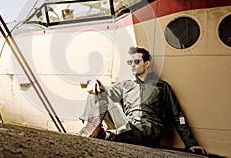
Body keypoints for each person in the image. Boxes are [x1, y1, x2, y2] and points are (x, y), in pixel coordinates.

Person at [79, 47, 207, 155]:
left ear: (147, 64)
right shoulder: (126, 85)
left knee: (138, 126)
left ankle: (105, 135)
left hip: (149, 128)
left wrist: (191, 143)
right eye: (130, 62)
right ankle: (89, 129)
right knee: (96, 93)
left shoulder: (161, 87)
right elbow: (105, 93)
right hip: (128, 123)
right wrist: (93, 82)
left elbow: (177, 116)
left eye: (136, 61)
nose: (133, 65)